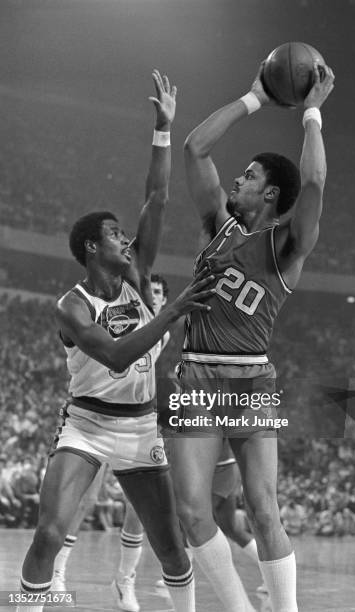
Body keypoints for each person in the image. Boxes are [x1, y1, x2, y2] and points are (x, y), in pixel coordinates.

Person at [16, 70, 215, 612]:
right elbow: (117, 353)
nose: (125, 238)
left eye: (124, 233)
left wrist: (162, 130)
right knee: (50, 534)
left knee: (172, 548)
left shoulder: (135, 274)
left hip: (140, 426)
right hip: (86, 423)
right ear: (89, 248)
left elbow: (158, 194)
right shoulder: (72, 305)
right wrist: (172, 311)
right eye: (113, 234)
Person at [165, 60, 335, 612]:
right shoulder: (218, 222)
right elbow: (194, 148)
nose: (238, 179)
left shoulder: (287, 249)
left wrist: (311, 112)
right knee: (194, 512)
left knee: (264, 509)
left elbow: (312, 183)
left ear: (269, 195)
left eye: (250, 176)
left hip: (252, 378)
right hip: (196, 371)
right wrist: (256, 97)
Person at [52, 274, 171, 612]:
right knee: (84, 499)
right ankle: (58, 571)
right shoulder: (122, 316)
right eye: (151, 290)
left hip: (138, 420)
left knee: (140, 508)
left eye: (161, 293)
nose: (155, 296)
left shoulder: (163, 330)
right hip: (96, 415)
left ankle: (125, 580)